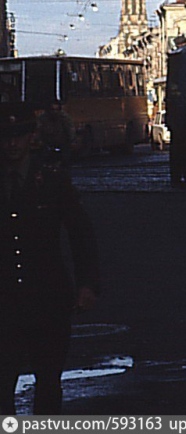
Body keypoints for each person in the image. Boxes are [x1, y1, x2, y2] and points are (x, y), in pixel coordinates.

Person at [0, 102, 100, 414]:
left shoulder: (52, 178)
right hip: (4, 301)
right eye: (6, 137)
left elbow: (80, 233)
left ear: (31, 137)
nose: (12, 144)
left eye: (18, 136)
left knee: (48, 383)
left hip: (47, 297)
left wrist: (87, 283)